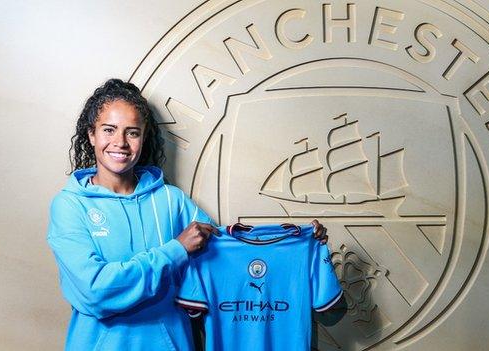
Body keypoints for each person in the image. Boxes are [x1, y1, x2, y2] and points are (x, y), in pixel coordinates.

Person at [47, 78, 328, 350]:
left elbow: (229, 255)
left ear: (143, 138)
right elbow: (96, 291)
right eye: (109, 130)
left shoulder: (171, 199)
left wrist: (296, 241)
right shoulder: (70, 206)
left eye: (132, 132)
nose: (120, 142)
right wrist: (176, 250)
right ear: (91, 134)